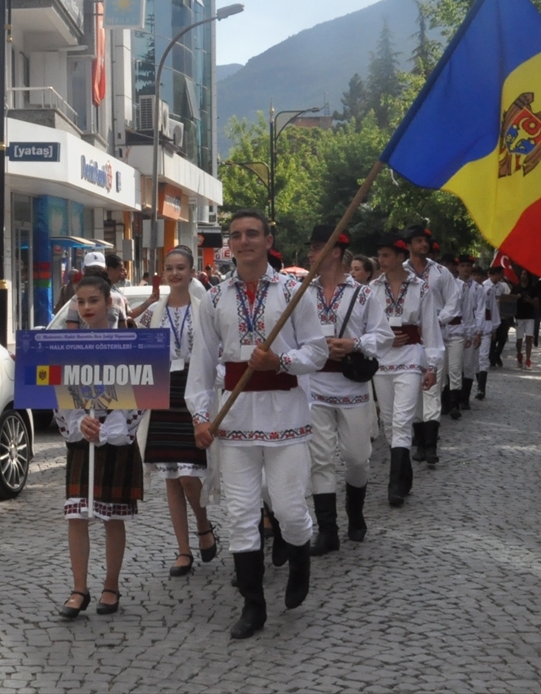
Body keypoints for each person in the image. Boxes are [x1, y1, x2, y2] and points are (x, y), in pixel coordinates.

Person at [186, 209, 328, 640]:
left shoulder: (295, 290)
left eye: (252, 234)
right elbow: (203, 362)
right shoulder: (212, 299)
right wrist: (200, 416)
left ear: (269, 239)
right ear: (229, 245)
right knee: (242, 514)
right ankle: (253, 604)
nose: (244, 241)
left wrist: (281, 361)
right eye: (236, 236)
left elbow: (317, 352)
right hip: (234, 420)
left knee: (287, 509)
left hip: (285, 415)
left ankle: (300, 557)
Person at [54, 276, 144, 619]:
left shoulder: (128, 344)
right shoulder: (67, 345)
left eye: (93, 300)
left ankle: (111, 585)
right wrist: (80, 423)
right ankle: (79, 588)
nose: (87, 307)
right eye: (81, 301)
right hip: (83, 436)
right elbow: (60, 391)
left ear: (108, 303)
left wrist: (110, 427)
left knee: (110, 516)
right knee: (76, 514)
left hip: (115, 435)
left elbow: (139, 392)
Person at [304, 225, 392, 554]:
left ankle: (355, 511)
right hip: (314, 386)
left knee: (357, 458)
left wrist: (353, 343)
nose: (311, 254)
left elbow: (382, 336)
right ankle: (327, 530)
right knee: (320, 460)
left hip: (352, 387)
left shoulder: (364, 294)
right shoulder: (303, 293)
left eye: (316, 248)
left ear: (336, 252)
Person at [138, 246, 217, 577]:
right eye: (169, 268)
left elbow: (216, 349)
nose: (174, 273)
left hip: (194, 389)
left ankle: (203, 524)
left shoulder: (205, 308)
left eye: (180, 267)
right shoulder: (153, 311)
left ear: (192, 270)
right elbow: (136, 347)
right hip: (162, 391)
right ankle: (183, 550)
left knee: (189, 474)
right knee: (171, 476)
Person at [371, 233, 443, 484]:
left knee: (403, 419)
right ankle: (403, 471)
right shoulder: (372, 289)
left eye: (386, 255)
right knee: (388, 420)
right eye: (379, 255)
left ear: (400, 257)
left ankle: (396, 483)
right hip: (382, 359)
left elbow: (431, 329)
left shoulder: (420, 288)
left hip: (410, 357)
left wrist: (432, 365)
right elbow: (365, 327)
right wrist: (383, 339)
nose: (381, 260)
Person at [404, 227, 461, 439]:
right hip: (409, 339)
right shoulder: (400, 272)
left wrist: (435, 321)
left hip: (434, 336)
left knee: (433, 386)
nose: (423, 245)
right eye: (418, 241)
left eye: (425, 241)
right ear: (408, 245)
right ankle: (419, 434)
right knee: (413, 388)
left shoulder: (440, 272)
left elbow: (453, 301)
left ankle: (431, 441)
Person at [454, 254, 482, 409]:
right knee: (455, 364)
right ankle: (454, 398)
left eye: (468, 266)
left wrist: (478, 332)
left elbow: (480, 311)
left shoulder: (478, 288)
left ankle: (465, 397)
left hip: (471, 329)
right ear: (458, 267)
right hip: (455, 329)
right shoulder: (453, 286)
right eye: (463, 266)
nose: (465, 269)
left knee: (469, 364)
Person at [477, 266, 508, 398]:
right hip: (471, 327)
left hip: (486, 325)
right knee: (472, 360)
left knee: (483, 357)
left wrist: (494, 326)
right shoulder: (480, 287)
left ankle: (481, 388)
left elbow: (493, 309)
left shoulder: (489, 290)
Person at [511, 270, 541, 369]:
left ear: (528, 276)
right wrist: (516, 297)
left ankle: (528, 359)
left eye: (525, 274)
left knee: (529, 339)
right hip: (519, 317)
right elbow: (510, 301)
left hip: (530, 317)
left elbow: (537, 304)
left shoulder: (533, 289)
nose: (523, 276)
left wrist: (530, 301)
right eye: (522, 274)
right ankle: (519, 354)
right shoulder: (516, 288)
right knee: (519, 340)